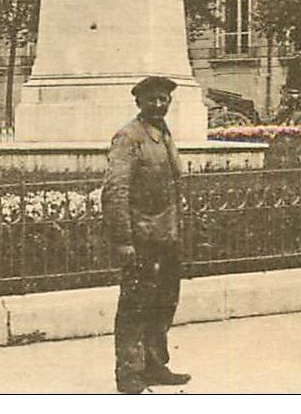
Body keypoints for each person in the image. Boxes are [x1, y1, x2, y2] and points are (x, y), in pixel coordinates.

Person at [103, 75, 192, 394]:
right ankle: (129, 372)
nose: (158, 105)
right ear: (139, 102)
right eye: (152, 99)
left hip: (166, 237)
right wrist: (124, 241)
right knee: (135, 306)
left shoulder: (164, 134)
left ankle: (155, 365)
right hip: (141, 239)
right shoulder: (129, 137)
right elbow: (115, 191)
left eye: (163, 99)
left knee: (164, 302)